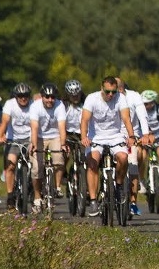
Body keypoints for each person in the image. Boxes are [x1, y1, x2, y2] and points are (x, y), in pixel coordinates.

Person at [79, 76, 136, 217]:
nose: (111, 95)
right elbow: (85, 120)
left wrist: (131, 136)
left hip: (115, 136)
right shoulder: (92, 99)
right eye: (107, 91)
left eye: (113, 92)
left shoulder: (120, 98)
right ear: (101, 88)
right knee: (93, 161)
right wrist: (84, 137)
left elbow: (126, 119)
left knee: (123, 158)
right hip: (95, 136)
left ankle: (119, 185)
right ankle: (93, 201)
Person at [29, 83, 68, 213]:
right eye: (47, 97)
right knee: (36, 168)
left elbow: (62, 126)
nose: (50, 100)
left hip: (55, 136)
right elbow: (34, 128)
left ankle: (56, 186)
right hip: (39, 137)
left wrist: (63, 144)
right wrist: (34, 144)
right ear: (42, 96)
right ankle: (37, 197)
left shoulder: (60, 105)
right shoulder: (35, 106)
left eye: (52, 97)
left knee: (59, 159)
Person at [0, 83, 34, 210]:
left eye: (26, 96)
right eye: (20, 96)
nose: (23, 98)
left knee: (35, 164)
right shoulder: (10, 104)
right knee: (11, 164)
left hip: (29, 139)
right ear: (16, 96)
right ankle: (10, 194)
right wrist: (0, 136)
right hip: (14, 139)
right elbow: (5, 121)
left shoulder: (33, 105)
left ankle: (34, 191)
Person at [117, 78, 151, 217]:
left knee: (133, 167)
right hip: (114, 137)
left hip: (133, 137)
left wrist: (145, 134)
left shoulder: (134, 96)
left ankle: (133, 202)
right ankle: (107, 192)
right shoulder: (107, 98)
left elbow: (143, 116)